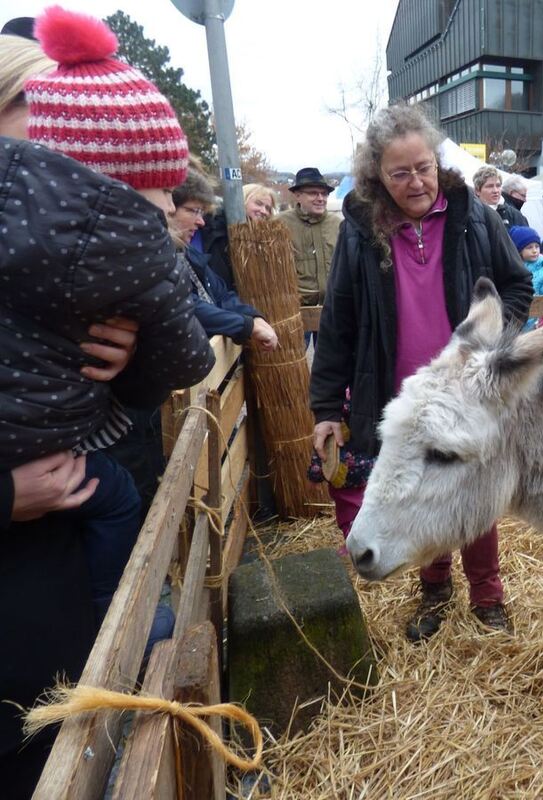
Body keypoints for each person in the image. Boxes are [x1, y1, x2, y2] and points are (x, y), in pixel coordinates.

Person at [1, 10, 214, 792]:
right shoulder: (120, 237)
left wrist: (124, 366)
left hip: (55, 588)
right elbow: (188, 346)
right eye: (28, 106)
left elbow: (152, 374)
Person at [309, 103, 532, 643]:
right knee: (413, 493)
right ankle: (434, 589)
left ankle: (487, 594)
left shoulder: (473, 215)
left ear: (437, 161)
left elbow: (517, 285)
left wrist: (495, 347)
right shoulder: (361, 230)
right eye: (400, 172)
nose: (417, 182)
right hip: (396, 394)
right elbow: (338, 321)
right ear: (377, 176)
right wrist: (324, 410)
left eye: (424, 167)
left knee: (472, 491)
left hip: (466, 393)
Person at [170, 172, 280, 350]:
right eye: (193, 211)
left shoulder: (187, 252)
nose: (201, 222)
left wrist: (253, 317)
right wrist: (246, 325)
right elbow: (185, 304)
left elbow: (220, 293)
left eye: (268, 208)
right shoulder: (214, 234)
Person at [277, 166, 342, 306]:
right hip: (296, 311)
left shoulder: (339, 225)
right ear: (297, 195)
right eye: (313, 193)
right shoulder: (279, 225)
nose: (320, 198)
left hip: (333, 309)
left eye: (324, 194)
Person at [195, 183, 278, 289]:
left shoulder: (260, 238)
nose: (264, 211)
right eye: (258, 203)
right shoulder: (217, 229)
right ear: (242, 200)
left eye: (268, 208)